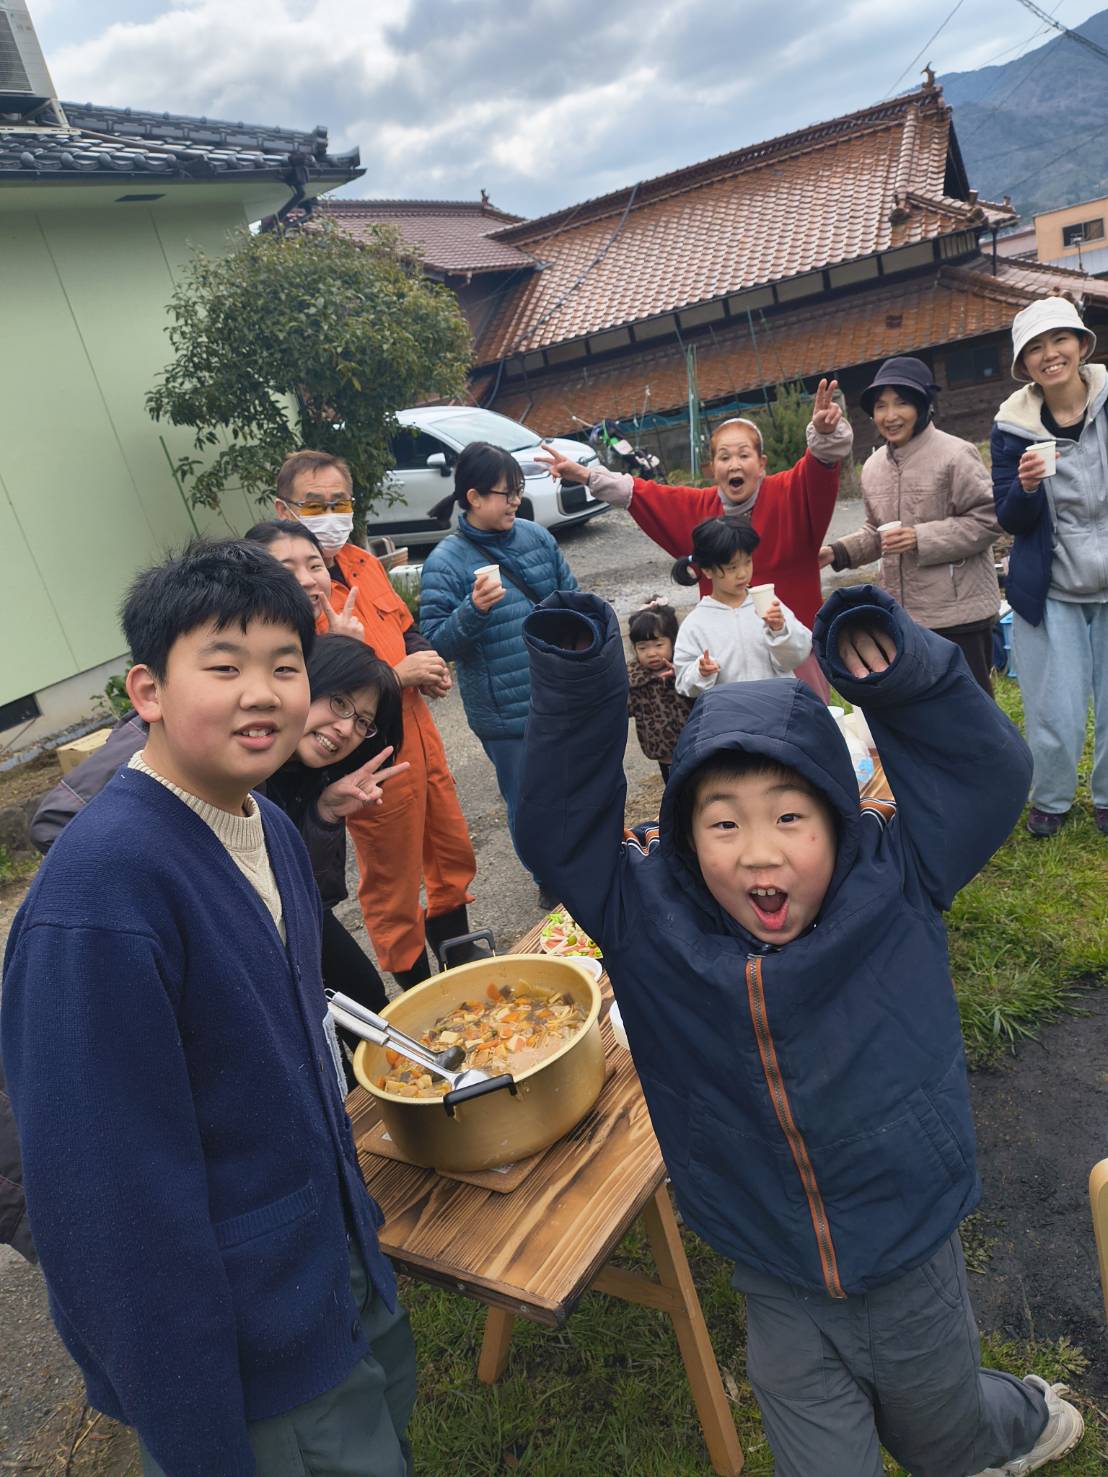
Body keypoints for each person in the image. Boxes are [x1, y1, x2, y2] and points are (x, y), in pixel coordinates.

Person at [512, 582, 1083, 1476]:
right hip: (770, 1262)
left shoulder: (896, 878)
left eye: (790, 816)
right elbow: (558, 831)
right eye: (723, 822)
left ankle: (1017, 1416)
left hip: (907, 1245)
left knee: (943, 1438)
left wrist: (901, 676)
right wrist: (580, 683)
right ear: (683, 832)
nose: (759, 852)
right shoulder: (645, 917)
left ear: (837, 819)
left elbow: (988, 776)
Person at [2, 541, 416, 1477]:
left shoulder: (267, 824)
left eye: (284, 666)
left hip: (332, 1285)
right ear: (147, 691)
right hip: (247, 1356)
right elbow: (104, 1211)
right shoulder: (100, 898)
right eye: (223, 667)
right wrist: (192, 1428)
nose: (261, 694)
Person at [273, 457, 481, 988]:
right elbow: (307, 691)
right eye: (314, 504)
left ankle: (460, 960)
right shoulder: (284, 597)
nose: (331, 515)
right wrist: (396, 675)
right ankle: (420, 988)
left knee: (450, 851)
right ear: (284, 509)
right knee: (393, 878)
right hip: (366, 752)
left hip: (420, 737)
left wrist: (425, 659)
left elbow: (404, 627)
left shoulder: (362, 562)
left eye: (339, 502)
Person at [538, 378, 853, 700]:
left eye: (744, 455)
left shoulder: (790, 494)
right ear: (712, 467)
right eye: (724, 457)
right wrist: (585, 475)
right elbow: (639, 493)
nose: (734, 464)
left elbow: (820, 466)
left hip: (793, 650)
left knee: (807, 720)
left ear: (761, 464)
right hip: (727, 663)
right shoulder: (698, 509)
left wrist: (824, 434)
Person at [418, 441, 578, 909]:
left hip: (559, 693)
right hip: (505, 712)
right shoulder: (446, 563)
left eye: (518, 492)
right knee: (529, 801)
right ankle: (548, 879)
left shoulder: (536, 537)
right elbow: (436, 645)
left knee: (573, 787)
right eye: (506, 494)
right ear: (473, 497)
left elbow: (573, 599)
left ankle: (584, 862)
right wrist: (475, 609)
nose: (515, 502)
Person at [992, 297, 1108, 838]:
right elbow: (1010, 517)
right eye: (1035, 348)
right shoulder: (1012, 427)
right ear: (1025, 364)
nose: (1050, 354)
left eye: (1059, 339)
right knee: (1053, 705)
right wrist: (1025, 486)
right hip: (1053, 584)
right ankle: (1052, 797)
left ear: (1081, 344)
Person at [820, 356, 1001, 694]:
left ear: (922, 405)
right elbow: (877, 531)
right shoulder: (873, 466)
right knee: (920, 707)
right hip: (903, 616)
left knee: (972, 706)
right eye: (881, 406)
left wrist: (920, 538)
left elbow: (988, 519)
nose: (890, 415)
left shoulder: (956, 454)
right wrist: (837, 552)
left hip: (958, 614)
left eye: (901, 402)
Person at [671, 517, 811, 698]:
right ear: (707, 570)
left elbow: (798, 655)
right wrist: (701, 672)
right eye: (732, 568)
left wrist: (780, 631)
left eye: (748, 561)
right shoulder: (696, 624)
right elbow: (683, 683)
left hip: (778, 704)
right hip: (730, 712)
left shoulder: (767, 605)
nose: (743, 573)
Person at [626, 598, 692, 783]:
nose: (651, 653)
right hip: (664, 754)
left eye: (658, 645)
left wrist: (684, 673)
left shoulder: (686, 671)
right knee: (674, 789)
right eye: (642, 648)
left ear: (673, 641)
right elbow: (622, 709)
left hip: (693, 746)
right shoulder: (633, 680)